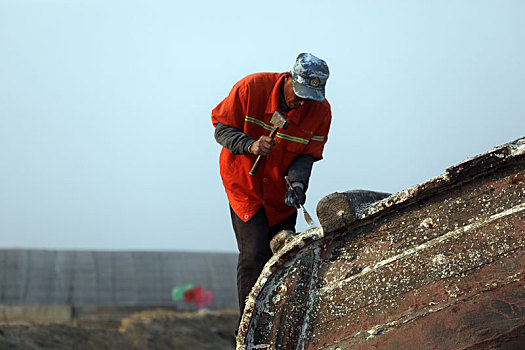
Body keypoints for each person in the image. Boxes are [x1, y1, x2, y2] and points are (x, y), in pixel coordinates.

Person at [211, 53, 332, 315]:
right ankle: (248, 327)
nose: (301, 102)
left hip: (281, 195)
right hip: (246, 188)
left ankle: (281, 320)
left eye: (309, 97)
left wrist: (298, 184)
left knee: (284, 254)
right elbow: (221, 128)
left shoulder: (321, 111)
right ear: (289, 77)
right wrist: (250, 145)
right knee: (253, 255)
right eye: (298, 94)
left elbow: (306, 155)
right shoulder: (251, 88)